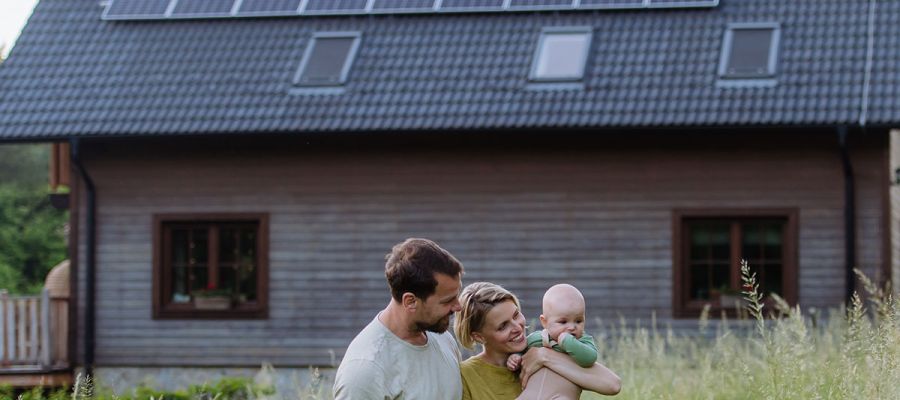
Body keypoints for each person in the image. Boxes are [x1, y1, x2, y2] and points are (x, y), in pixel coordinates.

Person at [333, 238, 465, 400]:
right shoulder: (365, 371)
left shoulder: (443, 337)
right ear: (410, 301)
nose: (458, 307)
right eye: (447, 301)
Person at [454, 282, 621, 400]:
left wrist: (544, 356)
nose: (517, 327)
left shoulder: (544, 348)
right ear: (479, 336)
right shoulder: (466, 376)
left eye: (516, 315)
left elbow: (612, 385)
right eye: (503, 326)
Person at [507, 284, 597, 370]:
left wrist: (568, 342)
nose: (572, 327)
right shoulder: (537, 339)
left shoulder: (583, 341)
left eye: (578, 321)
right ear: (545, 322)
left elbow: (590, 359)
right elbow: (522, 350)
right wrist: (516, 357)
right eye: (563, 322)